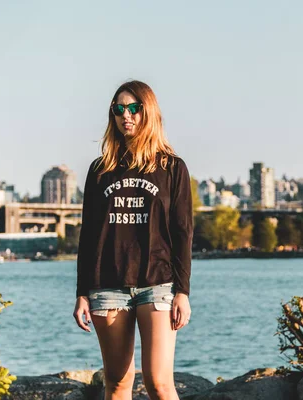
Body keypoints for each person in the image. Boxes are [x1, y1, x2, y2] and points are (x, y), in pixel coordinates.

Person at [73, 80, 193, 400]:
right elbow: (88, 235)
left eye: (134, 108)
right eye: (119, 109)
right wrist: (82, 293)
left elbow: (182, 233)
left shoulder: (171, 168)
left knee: (160, 383)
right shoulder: (100, 170)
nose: (126, 115)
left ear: (148, 111)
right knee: (117, 382)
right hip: (107, 285)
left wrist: (183, 292)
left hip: (157, 283)